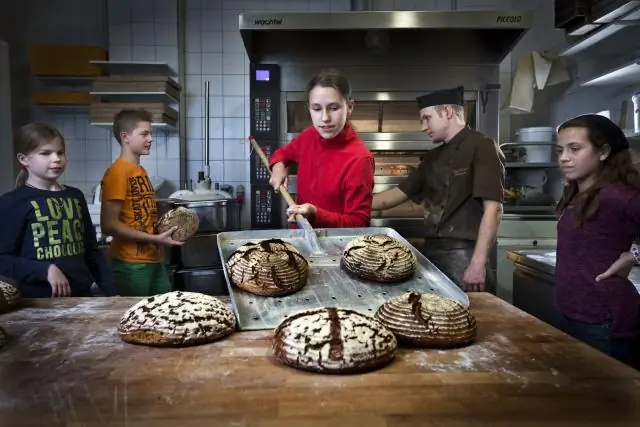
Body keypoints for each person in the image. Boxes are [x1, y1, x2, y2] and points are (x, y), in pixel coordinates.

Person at [371, 86, 505, 293]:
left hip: (466, 255)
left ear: (447, 112)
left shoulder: (483, 147)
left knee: (476, 319)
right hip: (432, 254)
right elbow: (393, 196)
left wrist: (478, 264)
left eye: (427, 118)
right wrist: (339, 207)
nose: (423, 127)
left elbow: (493, 210)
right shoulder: (433, 158)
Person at [554, 114, 640, 369]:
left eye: (575, 149)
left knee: (605, 402)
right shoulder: (577, 193)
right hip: (575, 313)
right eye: (560, 150)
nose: (564, 158)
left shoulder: (618, 196)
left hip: (604, 320)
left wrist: (634, 254)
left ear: (603, 152)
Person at [0, 123, 116, 298]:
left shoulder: (75, 196)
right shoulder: (13, 202)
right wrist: (45, 269)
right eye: (45, 153)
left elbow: (92, 251)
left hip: (82, 297)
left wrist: (112, 292)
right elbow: (3, 259)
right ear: (24, 159)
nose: (56, 159)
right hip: (38, 303)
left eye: (60, 152)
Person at [268, 68, 375, 228]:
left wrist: (315, 213)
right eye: (317, 109)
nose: (325, 118)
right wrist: (278, 166)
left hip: (335, 247)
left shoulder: (360, 159)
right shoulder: (309, 135)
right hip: (300, 238)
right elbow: (283, 153)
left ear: (350, 107)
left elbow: (358, 222)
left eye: (333, 108)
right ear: (309, 108)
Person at [100, 109, 182, 296]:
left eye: (150, 133)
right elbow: (108, 225)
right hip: (130, 264)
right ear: (125, 137)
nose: (150, 138)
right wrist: (154, 239)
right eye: (144, 133)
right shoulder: (117, 172)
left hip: (153, 259)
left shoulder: (141, 171)